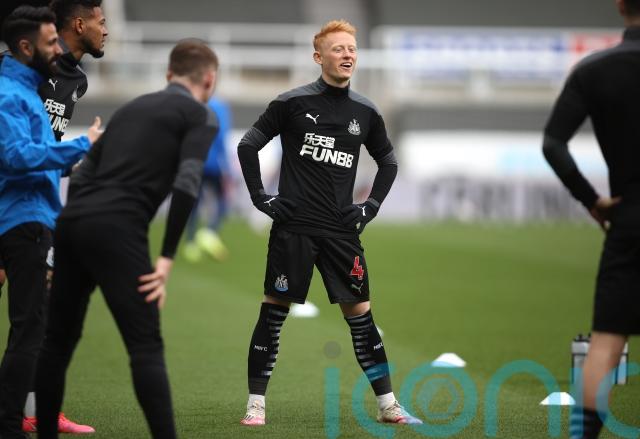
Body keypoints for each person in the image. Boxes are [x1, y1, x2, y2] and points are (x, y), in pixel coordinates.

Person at [236, 19, 422, 426]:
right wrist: (260, 198)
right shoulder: (291, 103)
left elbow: (388, 162)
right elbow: (248, 145)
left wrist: (370, 206)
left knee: (362, 318)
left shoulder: (366, 111)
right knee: (273, 314)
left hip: (341, 232)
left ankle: (389, 405)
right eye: (338, 49)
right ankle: (256, 405)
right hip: (294, 229)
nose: (347, 54)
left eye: (352, 49)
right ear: (318, 56)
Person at [34, 39, 219, 439]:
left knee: (57, 342)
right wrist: (166, 257)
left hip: (72, 223)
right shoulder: (200, 115)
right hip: (118, 228)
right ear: (209, 79)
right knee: (145, 345)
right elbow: (188, 182)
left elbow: (82, 174)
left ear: (169, 74)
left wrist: (76, 222)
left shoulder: (131, 108)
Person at [0, 6, 101, 438]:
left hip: (35, 210)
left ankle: (35, 411)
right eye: (48, 43)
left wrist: (79, 162)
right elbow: (16, 154)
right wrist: (80, 146)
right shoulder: (14, 87)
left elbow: (39, 151)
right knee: (33, 325)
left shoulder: (65, 82)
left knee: (37, 322)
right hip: (17, 213)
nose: (56, 50)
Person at [543, 1, 640, 438]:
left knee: (605, 340)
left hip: (630, 217)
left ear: (620, 6)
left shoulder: (594, 70)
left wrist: (592, 200)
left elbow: (553, 144)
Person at [183, 97, 232, 262]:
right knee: (223, 200)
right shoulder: (220, 107)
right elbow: (222, 136)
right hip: (213, 163)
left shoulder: (191, 104)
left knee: (193, 203)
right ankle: (210, 231)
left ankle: (191, 243)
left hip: (194, 161)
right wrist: (227, 167)